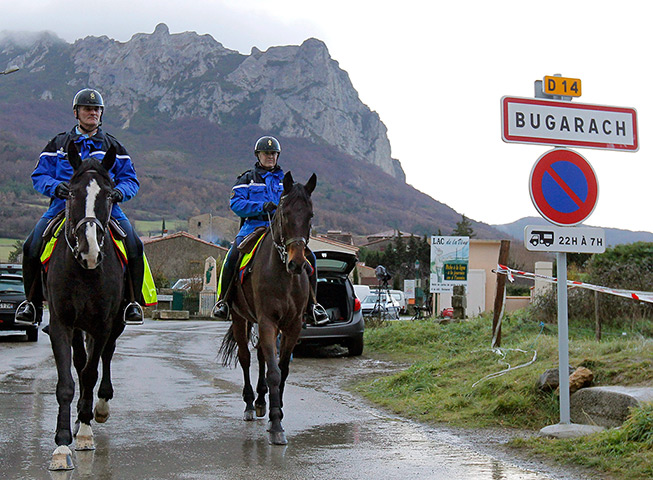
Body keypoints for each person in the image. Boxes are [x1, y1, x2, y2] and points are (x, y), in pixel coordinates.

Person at [15, 88, 145, 325]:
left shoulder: (113, 146)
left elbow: (130, 180)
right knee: (31, 246)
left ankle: (132, 303)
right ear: (77, 112)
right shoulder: (58, 143)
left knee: (135, 245)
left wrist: (119, 192)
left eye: (96, 109)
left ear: (101, 113)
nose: (92, 113)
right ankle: (31, 304)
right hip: (63, 207)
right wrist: (56, 187)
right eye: (87, 109)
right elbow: (39, 175)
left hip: (106, 208)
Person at [212, 135, 328, 325]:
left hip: (283, 232)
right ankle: (223, 302)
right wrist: (260, 206)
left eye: (273, 153)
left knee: (311, 259)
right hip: (253, 227)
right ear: (258, 155)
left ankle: (313, 305)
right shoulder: (247, 179)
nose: (270, 157)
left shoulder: (287, 182)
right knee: (232, 257)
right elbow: (236, 203)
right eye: (266, 154)